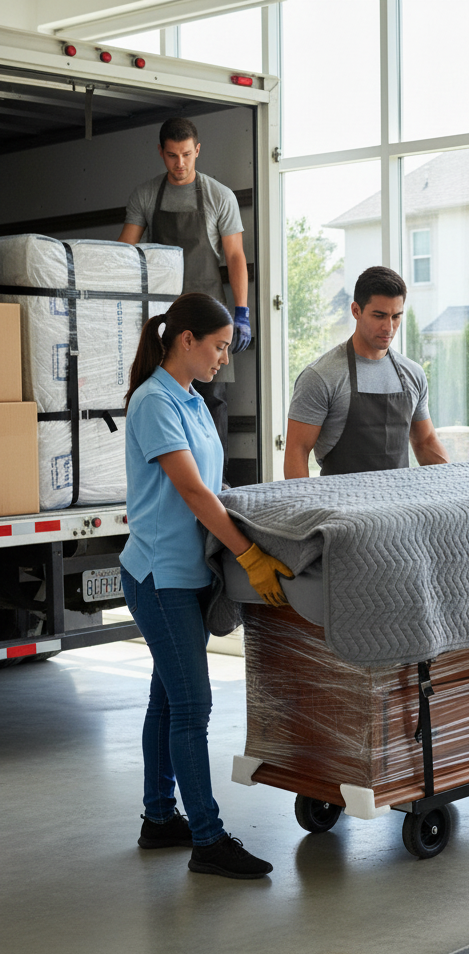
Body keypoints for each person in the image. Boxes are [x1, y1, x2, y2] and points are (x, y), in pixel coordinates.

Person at [120, 292, 293, 880]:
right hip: (160, 576)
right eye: (218, 347)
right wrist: (249, 553)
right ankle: (208, 839)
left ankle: (158, 818)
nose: (224, 358)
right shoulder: (154, 402)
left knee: (167, 700)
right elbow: (194, 492)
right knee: (193, 706)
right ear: (186, 339)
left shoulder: (192, 399)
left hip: (192, 574)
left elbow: (215, 487)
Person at [118, 117, 250, 485]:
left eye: (187, 155)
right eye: (173, 155)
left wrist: (241, 312)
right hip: (166, 320)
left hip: (209, 319)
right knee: (161, 396)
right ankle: (172, 480)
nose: (180, 163)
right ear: (161, 152)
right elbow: (123, 252)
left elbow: (235, 256)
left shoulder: (219, 196)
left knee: (212, 400)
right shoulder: (147, 195)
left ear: (198, 150)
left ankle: (217, 485)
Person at [284, 266, 449, 477]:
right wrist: (304, 499)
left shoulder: (413, 374)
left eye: (396, 316)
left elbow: (425, 442)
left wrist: (452, 482)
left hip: (399, 496)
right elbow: (297, 451)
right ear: (356, 311)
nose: (389, 327)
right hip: (340, 497)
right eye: (379, 316)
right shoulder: (321, 377)